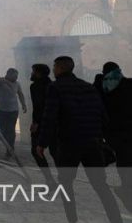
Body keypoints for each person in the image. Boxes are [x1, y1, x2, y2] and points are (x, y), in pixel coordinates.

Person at [37, 56, 122, 223]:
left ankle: (72, 219)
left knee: (66, 184)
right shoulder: (88, 87)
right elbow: (103, 116)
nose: (53, 70)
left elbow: (50, 117)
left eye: (55, 67)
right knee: (100, 185)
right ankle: (116, 219)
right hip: (92, 142)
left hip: (70, 143)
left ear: (60, 68)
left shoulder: (55, 87)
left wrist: (42, 143)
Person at [94, 61, 132, 210]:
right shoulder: (129, 84)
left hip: (114, 133)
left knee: (123, 160)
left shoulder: (101, 87)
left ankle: (127, 190)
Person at [29, 64, 57, 184]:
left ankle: (50, 180)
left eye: (33, 72)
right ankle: (64, 181)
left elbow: (38, 106)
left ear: (38, 73)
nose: (31, 74)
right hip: (55, 123)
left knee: (36, 150)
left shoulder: (35, 87)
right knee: (55, 152)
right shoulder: (53, 85)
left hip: (42, 123)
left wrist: (35, 122)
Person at [0, 68, 27, 157]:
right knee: (4, 130)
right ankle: (8, 145)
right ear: (8, 74)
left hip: (13, 110)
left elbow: (20, 94)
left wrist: (23, 104)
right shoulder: (1, 82)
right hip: (2, 110)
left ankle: (10, 148)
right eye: (15, 76)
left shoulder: (17, 83)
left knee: (11, 129)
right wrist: (8, 82)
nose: (16, 78)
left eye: (17, 76)